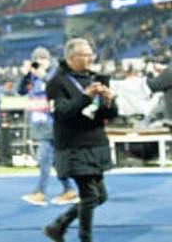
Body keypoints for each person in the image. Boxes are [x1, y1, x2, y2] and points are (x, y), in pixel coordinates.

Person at [43, 38, 118, 242]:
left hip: (96, 143)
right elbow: (61, 112)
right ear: (70, 58)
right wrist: (86, 97)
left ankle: (58, 226)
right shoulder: (56, 82)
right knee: (90, 196)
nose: (89, 59)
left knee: (100, 196)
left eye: (90, 54)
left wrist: (109, 101)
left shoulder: (96, 78)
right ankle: (85, 238)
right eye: (84, 55)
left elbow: (110, 115)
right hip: (73, 146)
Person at [17, 47, 77, 206]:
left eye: (43, 59)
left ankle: (40, 192)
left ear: (49, 60)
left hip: (53, 122)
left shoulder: (56, 73)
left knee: (44, 158)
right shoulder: (33, 77)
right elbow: (20, 91)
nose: (40, 62)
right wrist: (26, 75)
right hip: (39, 123)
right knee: (55, 160)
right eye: (37, 60)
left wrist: (42, 74)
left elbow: (55, 85)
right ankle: (69, 190)